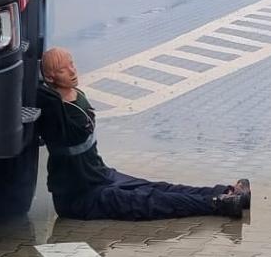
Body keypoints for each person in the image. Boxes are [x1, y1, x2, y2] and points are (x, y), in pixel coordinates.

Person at [36, 47, 250, 220]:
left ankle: (225, 192)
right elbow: (45, 102)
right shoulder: (56, 111)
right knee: (150, 200)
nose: (72, 71)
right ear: (50, 77)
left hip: (100, 175)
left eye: (72, 64)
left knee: (159, 188)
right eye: (63, 70)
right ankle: (218, 203)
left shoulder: (77, 95)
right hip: (79, 196)